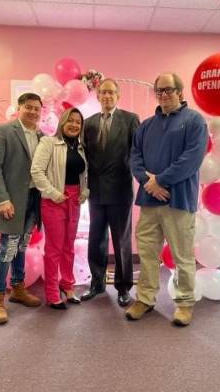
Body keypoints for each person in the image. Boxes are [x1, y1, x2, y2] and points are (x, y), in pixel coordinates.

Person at [125, 73, 208, 326]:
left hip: (178, 200)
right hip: (150, 202)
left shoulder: (194, 121)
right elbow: (134, 158)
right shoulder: (146, 126)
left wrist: (159, 181)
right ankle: (145, 299)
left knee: (182, 255)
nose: (163, 95)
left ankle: (184, 303)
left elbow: (192, 159)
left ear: (180, 92)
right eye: (159, 91)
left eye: (168, 90)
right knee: (148, 254)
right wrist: (149, 183)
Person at [81, 78, 140, 307]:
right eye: (103, 92)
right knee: (96, 239)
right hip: (95, 192)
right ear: (97, 96)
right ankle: (96, 283)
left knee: (122, 240)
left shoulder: (130, 119)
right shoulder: (89, 123)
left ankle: (124, 287)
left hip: (120, 190)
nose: (107, 96)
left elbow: (137, 154)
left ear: (118, 96)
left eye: (111, 93)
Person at [0, 93, 43, 324]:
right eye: (28, 107)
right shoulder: (4, 131)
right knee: (6, 250)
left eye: (36, 109)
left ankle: (18, 289)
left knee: (21, 246)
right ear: (19, 108)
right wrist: (2, 199)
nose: (32, 112)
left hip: (33, 200)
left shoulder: (42, 136)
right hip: (11, 201)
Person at [31, 108, 89, 310]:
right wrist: (54, 193)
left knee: (69, 247)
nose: (74, 125)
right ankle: (52, 292)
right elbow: (36, 172)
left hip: (74, 200)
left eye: (78, 122)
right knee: (54, 249)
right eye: (70, 121)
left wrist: (85, 190)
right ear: (62, 122)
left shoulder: (81, 148)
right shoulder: (48, 142)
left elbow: (83, 174)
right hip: (54, 200)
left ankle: (68, 286)